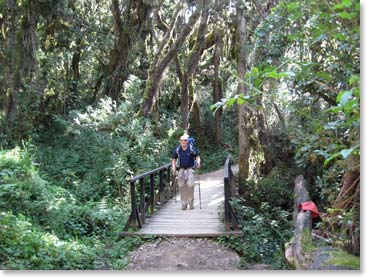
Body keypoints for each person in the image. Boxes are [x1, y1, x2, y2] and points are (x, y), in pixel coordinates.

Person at [172, 134, 201, 210]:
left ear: (187, 141)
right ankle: (184, 205)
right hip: (181, 170)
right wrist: (173, 169)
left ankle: (191, 204)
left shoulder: (191, 149)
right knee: (181, 187)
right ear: (180, 141)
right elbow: (174, 160)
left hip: (190, 169)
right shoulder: (177, 150)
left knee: (190, 186)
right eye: (182, 140)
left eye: (185, 140)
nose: (183, 141)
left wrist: (198, 163)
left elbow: (197, 157)